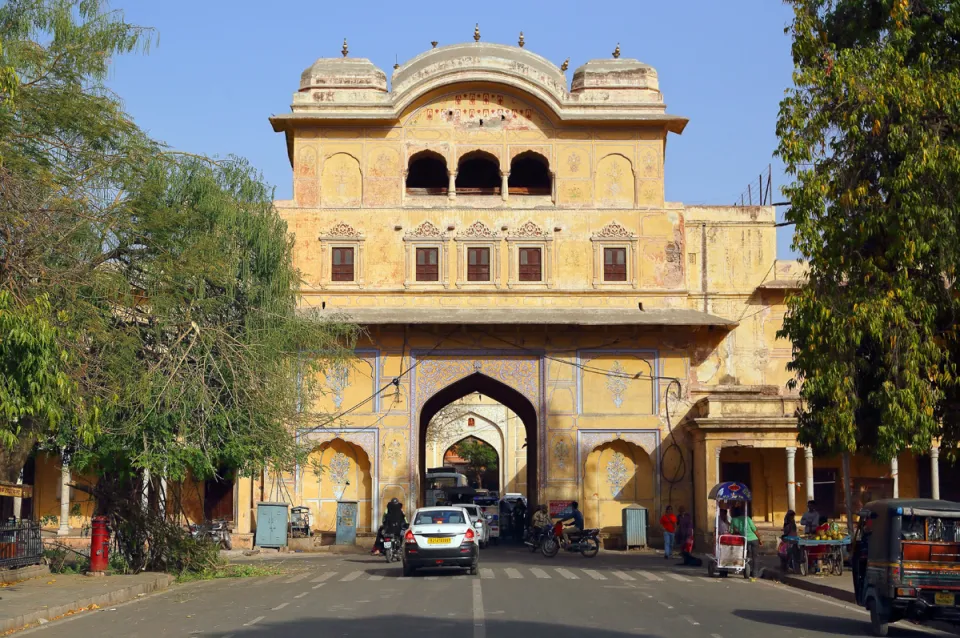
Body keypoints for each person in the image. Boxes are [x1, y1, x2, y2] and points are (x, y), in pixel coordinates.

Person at [730, 506, 761, 577]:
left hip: (745, 539)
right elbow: (755, 530)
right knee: (755, 557)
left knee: (746, 556)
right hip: (754, 539)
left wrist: (739, 532)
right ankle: (755, 574)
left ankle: (746, 571)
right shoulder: (748, 518)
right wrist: (760, 539)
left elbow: (731, 531)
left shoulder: (733, 520)